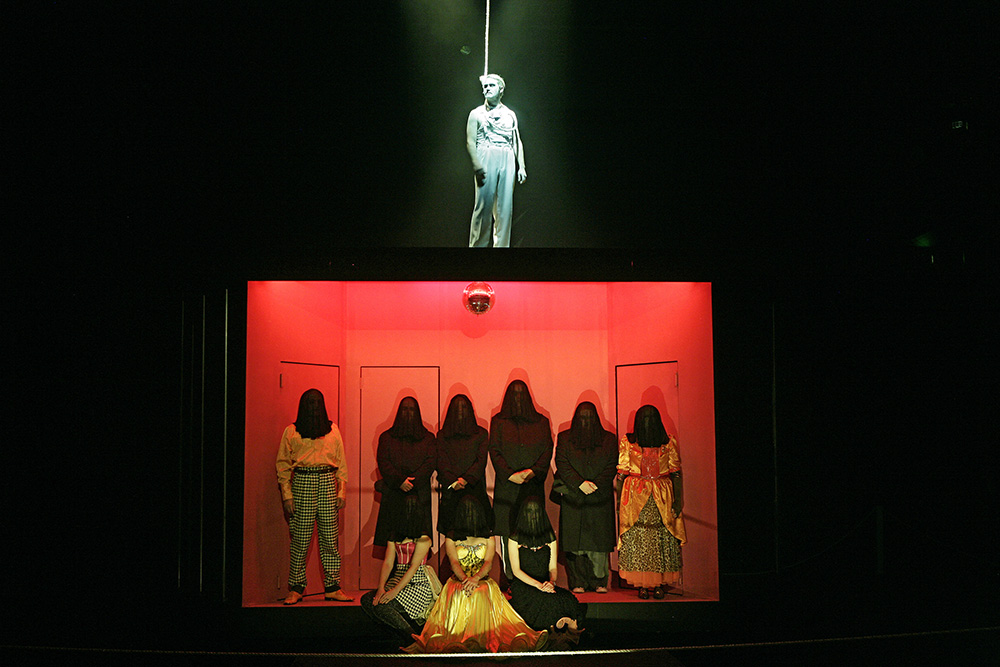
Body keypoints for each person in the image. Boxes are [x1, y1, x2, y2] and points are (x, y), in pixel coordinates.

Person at [404, 496, 548, 653]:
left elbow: (488, 562)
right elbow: (454, 562)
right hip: (458, 580)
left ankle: (483, 640)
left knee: (482, 591)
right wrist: (466, 579)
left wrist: (476, 578)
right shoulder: (451, 537)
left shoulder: (488, 536)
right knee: (458, 592)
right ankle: (460, 640)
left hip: (482, 580)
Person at [275, 388, 352, 604]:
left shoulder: (332, 430)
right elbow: (282, 465)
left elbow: (341, 462)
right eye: (309, 403)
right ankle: (296, 587)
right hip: (302, 481)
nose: (313, 407)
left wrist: (341, 490)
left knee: (330, 537)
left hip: (327, 480)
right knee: (300, 538)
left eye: (316, 403)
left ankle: (333, 586)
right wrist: (286, 495)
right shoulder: (292, 431)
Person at [616, 405, 687, 599]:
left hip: (661, 495)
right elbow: (621, 473)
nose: (647, 422)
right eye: (644, 418)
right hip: (635, 496)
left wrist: (678, 500)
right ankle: (642, 585)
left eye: (651, 418)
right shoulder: (628, 442)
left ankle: (659, 584)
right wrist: (618, 502)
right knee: (639, 539)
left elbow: (676, 472)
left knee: (660, 538)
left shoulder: (668, 442)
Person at [489, 380, 553, 584]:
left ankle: (534, 578)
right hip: (507, 488)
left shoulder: (541, 422)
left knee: (533, 530)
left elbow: (546, 450)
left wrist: (533, 472)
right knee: (507, 533)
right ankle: (510, 579)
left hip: (532, 486)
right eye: (514, 395)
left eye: (521, 395)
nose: (518, 399)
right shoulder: (498, 421)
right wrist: (509, 474)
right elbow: (494, 451)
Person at [553, 401, 618, 593]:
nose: (586, 421)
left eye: (590, 417)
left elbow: (612, 464)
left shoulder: (609, 439)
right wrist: (579, 484)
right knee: (575, 544)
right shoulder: (565, 438)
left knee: (598, 544)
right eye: (583, 417)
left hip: (600, 498)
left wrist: (596, 483)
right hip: (574, 498)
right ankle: (577, 581)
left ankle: (599, 581)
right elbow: (561, 463)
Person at [361, 494, 442, 643]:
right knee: (367, 600)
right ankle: (399, 637)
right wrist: (381, 588)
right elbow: (388, 563)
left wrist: (394, 592)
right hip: (397, 578)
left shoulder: (424, 539)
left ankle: (412, 639)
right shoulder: (394, 536)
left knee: (383, 605)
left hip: (418, 582)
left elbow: (413, 567)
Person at [507, 497, 586, 642]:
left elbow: (552, 567)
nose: (533, 516)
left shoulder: (549, 537)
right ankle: (556, 631)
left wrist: (551, 581)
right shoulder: (514, 538)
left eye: (536, 512)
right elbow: (516, 571)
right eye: (529, 512)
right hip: (525, 585)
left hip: (546, 583)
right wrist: (538, 585)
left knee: (565, 599)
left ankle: (569, 632)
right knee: (544, 602)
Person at [466, 73, 526, 248]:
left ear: (501, 89)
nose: (486, 89)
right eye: (485, 86)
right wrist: (477, 164)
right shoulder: (476, 113)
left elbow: (516, 141)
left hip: (506, 157)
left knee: (504, 209)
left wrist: (521, 165)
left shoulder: (510, 114)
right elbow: (470, 140)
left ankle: (501, 251)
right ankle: (478, 250)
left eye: (491, 86)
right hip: (486, 154)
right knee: (483, 207)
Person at [373, 397, 436, 549]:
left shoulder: (428, 438)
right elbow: (384, 463)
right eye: (405, 409)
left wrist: (412, 482)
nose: (408, 413)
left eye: (412, 409)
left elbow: (430, 463)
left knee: (420, 541)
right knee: (392, 541)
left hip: (419, 495)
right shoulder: (386, 437)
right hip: (394, 493)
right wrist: (400, 481)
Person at [435, 394, 493, 541]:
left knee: (477, 537)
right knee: (452, 537)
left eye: (464, 407)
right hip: (452, 491)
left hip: (475, 489)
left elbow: (481, 461)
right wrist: (454, 481)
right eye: (457, 408)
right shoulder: (442, 435)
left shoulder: (480, 434)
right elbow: (441, 461)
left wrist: (466, 479)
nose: (460, 411)